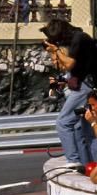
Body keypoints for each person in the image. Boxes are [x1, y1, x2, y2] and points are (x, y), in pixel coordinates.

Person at [41, 18, 97, 167]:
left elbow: (69, 64)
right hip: (87, 86)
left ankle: (73, 161)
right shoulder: (78, 39)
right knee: (83, 130)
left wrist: (56, 50)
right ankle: (90, 166)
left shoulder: (79, 39)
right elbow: (69, 70)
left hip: (86, 86)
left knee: (63, 123)